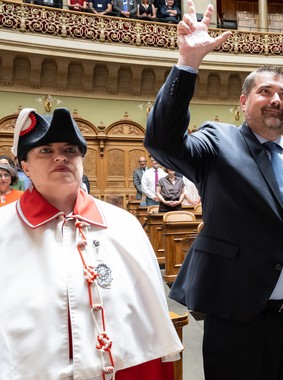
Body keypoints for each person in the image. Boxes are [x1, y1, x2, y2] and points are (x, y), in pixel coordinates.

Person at [144, 3, 283, 379]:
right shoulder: (218, 141)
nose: (275, 100)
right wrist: (187, 64)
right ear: (242, 103)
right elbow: (162, 142)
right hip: (236, 318)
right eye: (265, 91)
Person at [0, 107, 183, 378]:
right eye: (46, 150)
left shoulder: (123, 225)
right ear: (24, 166)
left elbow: (148, 319)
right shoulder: (4, 228)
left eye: (70, 150)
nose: (60, 156)